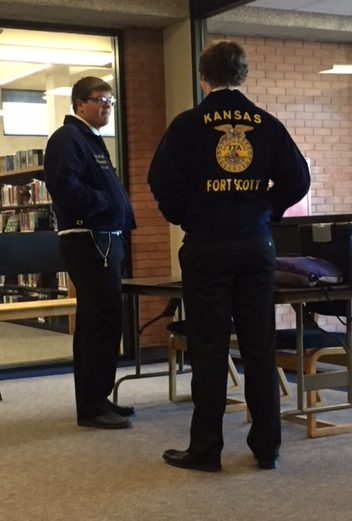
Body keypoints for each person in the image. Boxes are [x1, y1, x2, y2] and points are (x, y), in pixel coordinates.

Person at [148, 41, 310, 471]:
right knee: (259, 345)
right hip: (256, 245)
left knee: (208, 347)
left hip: (207, 245)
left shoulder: (188, 124)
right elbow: (299, 178)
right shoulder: (267, 124)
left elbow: (160, 181)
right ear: (243, 75)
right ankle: (266, 447)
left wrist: (189, 215)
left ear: (204, 77)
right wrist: (266, 208)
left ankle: (206, 449)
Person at [44, 76, 136, 429]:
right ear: (80, 103)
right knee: (101, 320)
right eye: (101, 100)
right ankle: (93, 405)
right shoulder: (68, 138)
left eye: (110, 101)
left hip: (104, 237)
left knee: (101, 320)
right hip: (88, 238)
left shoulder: (91, 139)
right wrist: (103, 205)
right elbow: (63, 185)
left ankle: (97, 397)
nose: (107, 107)